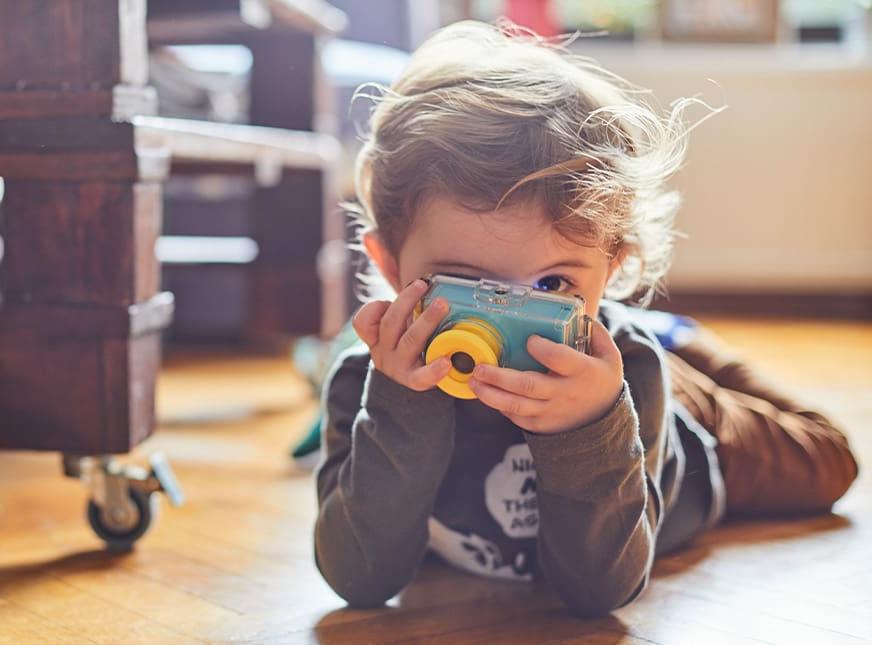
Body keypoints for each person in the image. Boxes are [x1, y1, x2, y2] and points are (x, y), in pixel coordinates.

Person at [312, 20, 859, 616]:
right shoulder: (363, 383)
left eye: (553, 285)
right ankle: (668, 337)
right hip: (618, 360)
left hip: (679, 422)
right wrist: (402, 402)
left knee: (825, 457)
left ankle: (688, 352)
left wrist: (592, 422)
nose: (510, 321)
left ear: (612, 267)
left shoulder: (631, 376)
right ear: (390, 264)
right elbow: (359, 581)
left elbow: (601, 591)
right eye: (469, 283)